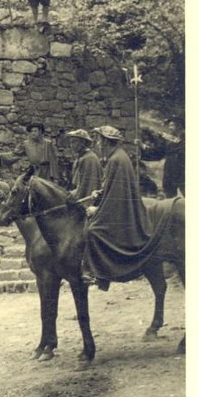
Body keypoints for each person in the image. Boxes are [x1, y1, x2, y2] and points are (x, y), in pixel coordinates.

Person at [83, 125, 154, 291]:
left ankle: (98, 274)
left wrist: (96, 209)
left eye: (99, 140)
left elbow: (115, 194)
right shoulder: (117, 157)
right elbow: (111, 186)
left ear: (107, 142)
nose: (97, 144)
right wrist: (99, 193)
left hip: (119, 208)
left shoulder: (116, 160)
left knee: (93, 231)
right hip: (117, 202)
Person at [66, 129, 103, 201]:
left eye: (74, 142)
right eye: (70, 142)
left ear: (82, 143)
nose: (71, 145)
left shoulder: (89, 159)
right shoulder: (81, 157)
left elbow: (89, 187)